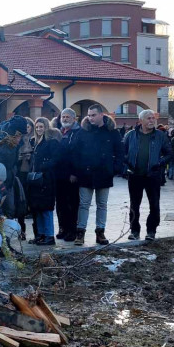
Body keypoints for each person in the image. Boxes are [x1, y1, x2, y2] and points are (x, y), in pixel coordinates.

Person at [70, 104, 123, 246]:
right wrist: (76, 171)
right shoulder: (82, 132)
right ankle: (80, 232)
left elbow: (119, 152)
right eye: (89, 115)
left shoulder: (112, 132)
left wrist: (114, 169)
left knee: (102, 204)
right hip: (85, 174)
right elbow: (75, 153)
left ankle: (100, 232)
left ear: (101, 115)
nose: (90, 118)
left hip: (104, 174)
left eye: (93, 115)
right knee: (84, 204)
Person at [123, 110, 173, 241]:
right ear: (140, 121)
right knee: (134, 204)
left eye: (153, 118)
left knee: (154, 204)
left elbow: (169, 153)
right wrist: (127, 166)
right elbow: (122, 153)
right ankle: (134, 231)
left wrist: (159, 163)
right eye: (148, 118)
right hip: (135, 175)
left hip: (153, 175)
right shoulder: (130, 135)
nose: (152, 120)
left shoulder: (160, 136)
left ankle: (151, 230)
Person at [26, 118, 62, 246]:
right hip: (36, 180)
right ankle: (40, 234)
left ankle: (49, 236)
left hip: (46, 180)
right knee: (38, 208)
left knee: (46, 209)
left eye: (41, 127)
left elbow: (57, 159)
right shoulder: (34, 142)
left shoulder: (51, 142)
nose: (39, 129)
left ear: (46, 127)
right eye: (37, 127)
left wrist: (43, 166)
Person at [52, 108, 81, 242]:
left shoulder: (78, 133)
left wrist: (74, 172)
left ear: (74, 119)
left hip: (71, 175)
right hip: (59, 175)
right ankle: (62, 228)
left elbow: (78, 155)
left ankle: (72, 230)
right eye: (63, 117)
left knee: (72, 204)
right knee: (60, 204)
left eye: (68, 117)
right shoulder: (59, 132)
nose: (65, 119)